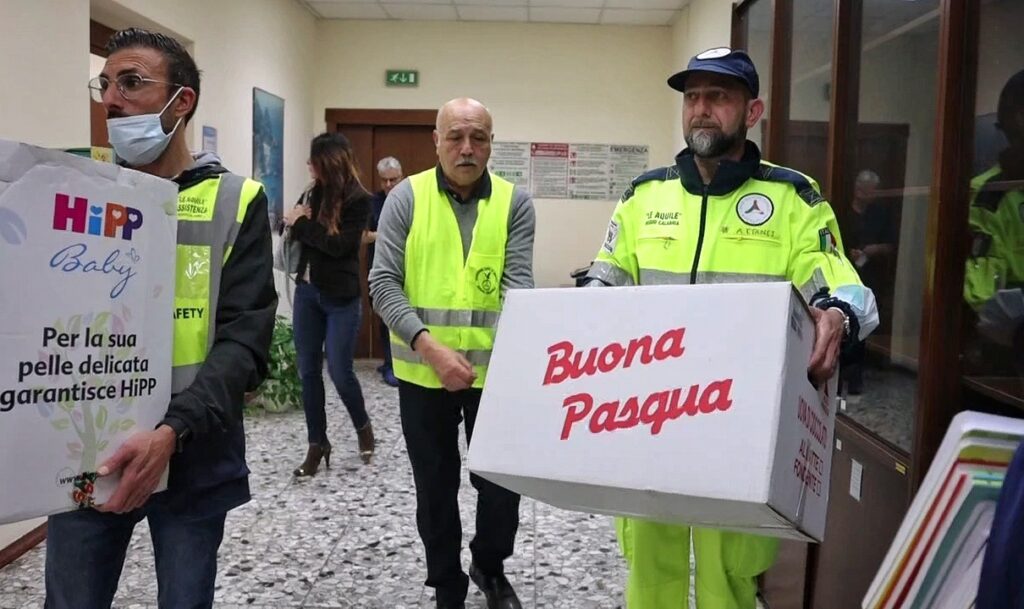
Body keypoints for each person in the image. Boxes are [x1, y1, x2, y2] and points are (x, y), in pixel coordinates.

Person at [585, 48, 879, 609]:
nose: (701, 110)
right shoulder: (644, 196)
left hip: (740, 429)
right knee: (651, 576)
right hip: (649, 423)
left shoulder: (792, 198)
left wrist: (837, 313)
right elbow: (602, 285)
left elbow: (839, 283)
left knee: (731, 582)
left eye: (718, 97)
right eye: (692, 97)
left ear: (752, 111)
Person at [47, 28, 277, 609]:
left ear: (182, 102)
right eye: (106, 85)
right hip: (87, 450)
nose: (112, 100)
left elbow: (243, 342)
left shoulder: (235, 201)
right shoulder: (76, 192)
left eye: (132, 83)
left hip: (194, 449)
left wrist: (171, 432)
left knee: (185, 599)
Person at [369, 97, 536, 609]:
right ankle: (446, 584)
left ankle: (488, 565)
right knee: (435, 490)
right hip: (424, 377)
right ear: (436, 141)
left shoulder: (515, 202)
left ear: (490, 142)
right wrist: (430, 348)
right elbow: (383, 283)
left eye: (479, 138)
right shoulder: (406, 198)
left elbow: (518, 289)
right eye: (456, 137)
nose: (468, 148)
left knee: (501, 486)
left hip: (494, 377)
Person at [285, 133, 375, 475]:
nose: (310, 167)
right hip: (307, 294)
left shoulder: (358, 200)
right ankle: (316, 443)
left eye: (315, 162)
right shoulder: (312, 192)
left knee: (339, 369)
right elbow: (305, 237)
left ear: (330, 163)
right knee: (308, 371)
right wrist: (294, 222)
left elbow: (338, 246)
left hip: (341, 298)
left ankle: (363, 427)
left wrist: (303, 223)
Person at [842, 169, 896, 396]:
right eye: (864, 190)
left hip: (871, 278)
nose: (867, 194)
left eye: (872, 191)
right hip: (843, 275)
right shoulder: (842, 214)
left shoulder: (881, 215)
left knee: (862, 325)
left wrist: (874, 250)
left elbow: (892, 246)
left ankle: (856, 378)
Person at [364, 156, 405, 387]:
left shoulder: (413, 198)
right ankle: (389, 363)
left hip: (407, 270)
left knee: (399, 317)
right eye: (384, 181)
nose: (389, 185)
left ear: (403, 177)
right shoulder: (372, 202)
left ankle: (397, 364)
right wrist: (385, 236)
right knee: (383, 318)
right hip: (378, 268)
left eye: (394, 180)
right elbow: (362, 235)